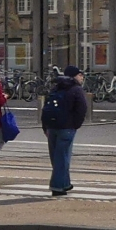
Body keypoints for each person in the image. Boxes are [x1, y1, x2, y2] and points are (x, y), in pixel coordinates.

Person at [41, 65, 90, 196]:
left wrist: (45, 126)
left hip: (51, 126)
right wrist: (75, 124)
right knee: (62, 158)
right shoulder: (76, 89)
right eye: (80, 75)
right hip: (66, 127)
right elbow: (82, 108)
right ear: (74, 76)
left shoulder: (56, 87)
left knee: (56, 157)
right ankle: (57, 187)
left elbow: (45, 107)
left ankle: (65, 184)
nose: (82, 77)